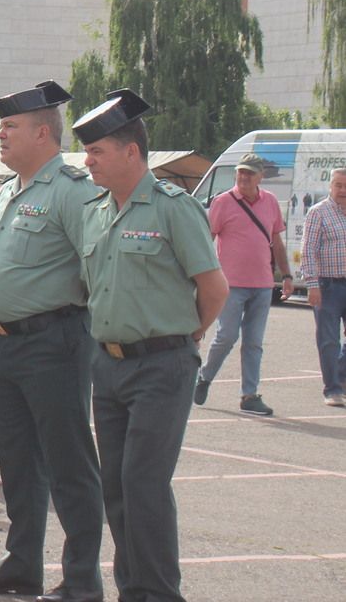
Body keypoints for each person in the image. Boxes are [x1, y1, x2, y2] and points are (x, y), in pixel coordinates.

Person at [75, 89, 229, 602]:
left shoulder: (172, 208)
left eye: (97, 151)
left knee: (143, 484)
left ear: (131, 152)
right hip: (109, 365)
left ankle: (160, 593)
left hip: (163, 365)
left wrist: (188, 337)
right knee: (116, 488)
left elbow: (214, 290)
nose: (88, 160)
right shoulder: (96, 212)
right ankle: (133, 589)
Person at [0, 81, 104, 602]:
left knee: (69, 466)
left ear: (43, 133)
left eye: (10, 126)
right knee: (19, 464)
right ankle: (22, 566)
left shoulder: (71, 188)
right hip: (2, 346)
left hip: (53, 343)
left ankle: (82, 580)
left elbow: (98, 265)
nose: (0, 133)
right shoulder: (10, 189)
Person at [195, 152, 292, 416]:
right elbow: (207, 241)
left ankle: (249, 395)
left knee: (254, 342)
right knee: (226, 337)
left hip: (262, 284)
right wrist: (203, 278)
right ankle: (204, 378)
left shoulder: (270, 201)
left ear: (261, 176)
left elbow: (277, 242)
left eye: (249, 172)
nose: (244, 177)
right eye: (240, 172)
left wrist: (286, 275)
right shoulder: (223, 202)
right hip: (230, 284)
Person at [299, 167, 346, 407]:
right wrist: (312, 285)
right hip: (327, 286)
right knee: (329, 340)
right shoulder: (318, 213)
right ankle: (332, 389)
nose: (342, 190)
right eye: (338, 185)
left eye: (345, 186)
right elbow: (308, 251)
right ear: (330, 186)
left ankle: (341, 376)